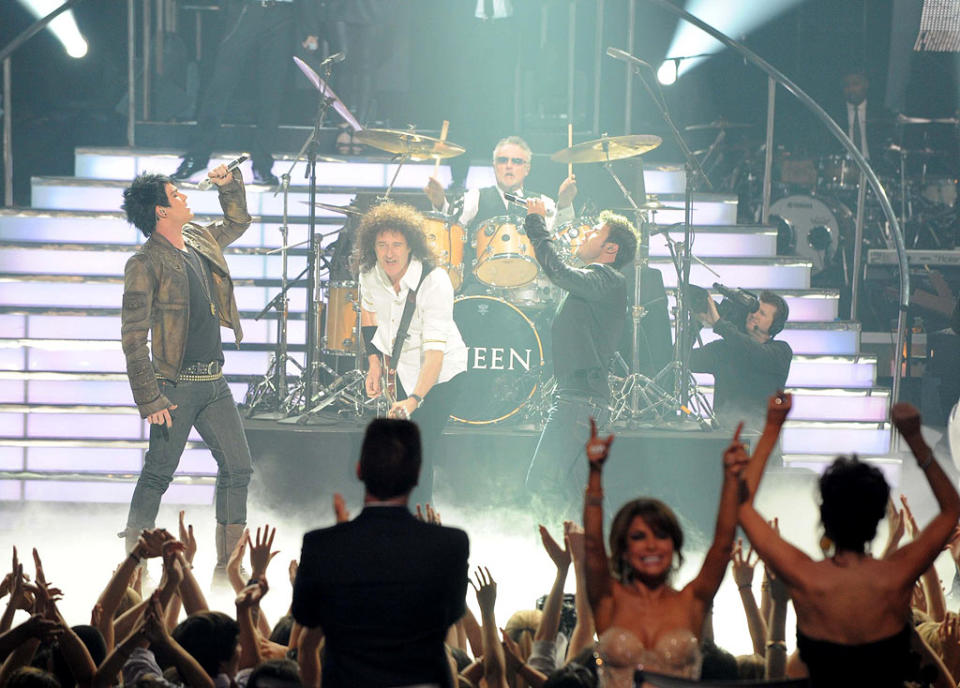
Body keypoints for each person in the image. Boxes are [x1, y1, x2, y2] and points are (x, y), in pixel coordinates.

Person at [735, 395, 960, 687]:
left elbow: (742, 507)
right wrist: (915, 439)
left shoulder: (807, 576)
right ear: (878, 518)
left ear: (824, 516)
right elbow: (952, 509)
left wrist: (772, 427)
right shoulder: (894, 576)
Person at [119, 164, 253, 579]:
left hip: (214, 383)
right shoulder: (144, 263)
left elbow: (237, 221)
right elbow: (132, 335)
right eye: (176, 195)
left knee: (238, 467)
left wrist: (229, 186)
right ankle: (133, 571)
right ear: (161, 211)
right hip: (173, 387)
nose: (184, 198)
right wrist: (149, 396)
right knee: (158, 472)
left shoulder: (198, 239)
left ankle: (227, 571)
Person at [291, 418, 470, 688]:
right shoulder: (450, 544)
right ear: (418, 474)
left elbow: (304, 620)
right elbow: (454, 616)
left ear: (359, 470)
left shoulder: (322, 545)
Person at [581, 417, 749, 679]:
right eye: (638, 536)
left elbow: (723, 545)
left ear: (674, 545)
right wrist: (595, 474)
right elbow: (592, 547)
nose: (651, 545)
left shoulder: (691, 601)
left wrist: (731, 478)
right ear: (624, 549)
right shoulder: (609, 600)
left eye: (661, 535)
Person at [521, 202, 635, 515]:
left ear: (610, 248)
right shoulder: (596, 282)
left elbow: (558, 271)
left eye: (595, 231)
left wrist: (536, 224)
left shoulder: (608, 279)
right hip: (581, 400)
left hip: (580, 401)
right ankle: (614, 555)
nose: (586, 232)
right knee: (582, 496)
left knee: (541, 487)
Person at [355, 202, 468, 508]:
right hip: (403, 370)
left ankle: (422, 526)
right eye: (381, 245)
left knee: (419, 448)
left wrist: (415, 399)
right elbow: (368, 314)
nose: (389, 253)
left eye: (396, 245)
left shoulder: (434, 282)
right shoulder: (369, 274)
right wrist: (374, 363)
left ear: (410, 247)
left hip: (443, 374)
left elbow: (435, 355)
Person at [171, 1, 320, 186]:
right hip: (247, 9)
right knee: (219, 86)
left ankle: (262, 164)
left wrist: (311, 28)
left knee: (272, 93)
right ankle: (197, 156)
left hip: (283, 13)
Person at [423, 136, 578, 294]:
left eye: (517, 161)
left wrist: (564, 203)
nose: (509, 166)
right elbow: (451, 229)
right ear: (494, 166)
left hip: (529, 291)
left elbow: (560, 238)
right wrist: (440, 202)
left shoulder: (542, 201)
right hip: (482, 288)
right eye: (503, 160)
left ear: (527, 169)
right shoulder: (475, 196)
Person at [689, 290, 792, 428]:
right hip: (723, 438)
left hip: (759, 438)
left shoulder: (781, 352)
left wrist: (720, 324)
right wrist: (696, 323)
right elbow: (683, 360)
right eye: (754, 310)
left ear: (775, 325)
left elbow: (755, 353)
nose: (754, 315)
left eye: (762, 313)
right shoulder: (724, 349)